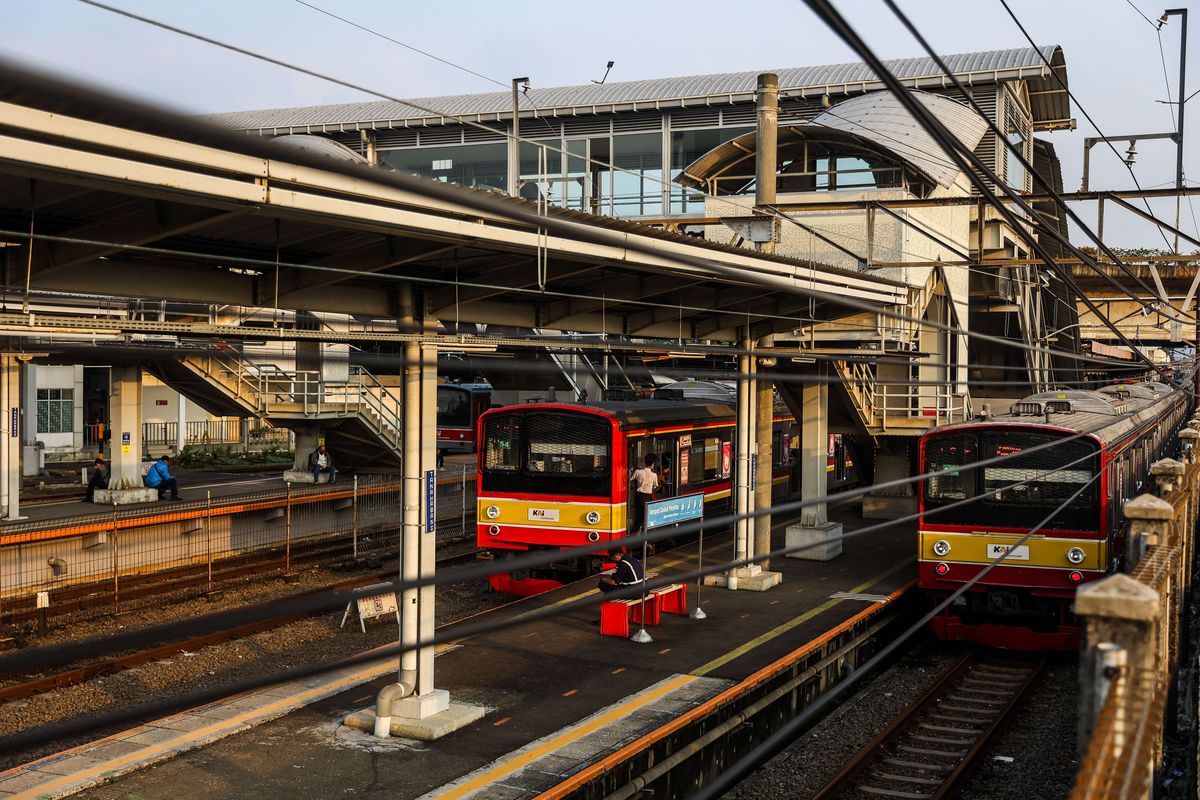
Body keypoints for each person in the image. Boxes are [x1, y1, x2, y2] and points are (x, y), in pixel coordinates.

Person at [630, 453, 659, 535]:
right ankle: (641, 532)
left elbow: (630, 479)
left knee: (638, 513)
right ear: (653, 464)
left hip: (638, 495)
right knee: (645, 515)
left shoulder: (638, 472)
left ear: (645, 462)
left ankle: (636, 531)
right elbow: (655, 486)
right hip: (647, 496)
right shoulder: (654, 475)